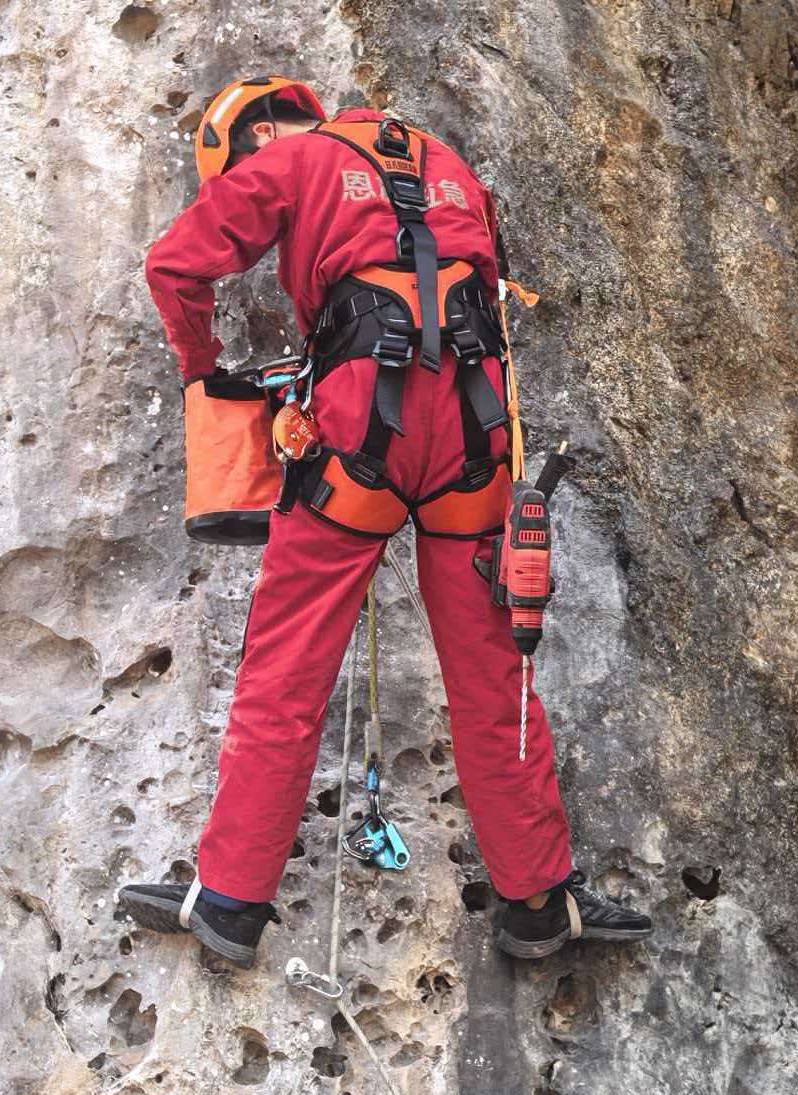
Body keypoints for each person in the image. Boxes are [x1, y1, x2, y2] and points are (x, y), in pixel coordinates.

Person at [123, 78, 652, 970]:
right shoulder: (450, 165)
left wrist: (203, 371)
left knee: (285, 672)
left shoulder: (290, 162)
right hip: (476, 433)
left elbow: (175, 267)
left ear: (252, 137)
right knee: (495, 673)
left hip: (360, 428)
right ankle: (535, 901)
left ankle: (230, 902)